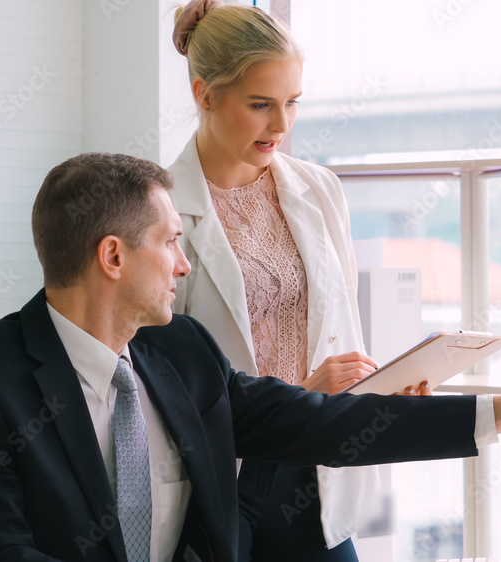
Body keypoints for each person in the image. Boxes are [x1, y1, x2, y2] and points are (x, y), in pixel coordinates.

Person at [0, 152, 501, 561]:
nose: (184, 266)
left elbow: (323, 424)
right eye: (172, 242)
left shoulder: (181, 353)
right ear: (114, 257)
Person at [166, 2, 421, 560]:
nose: (281, 125)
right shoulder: (159, 208)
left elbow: (338, 321)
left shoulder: (320, 188)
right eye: (260, 105)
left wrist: (381, 382)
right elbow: (163, 382)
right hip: (228, 480)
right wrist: (303, 390)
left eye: (291, 103)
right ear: (204, 95)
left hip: (319, 461)